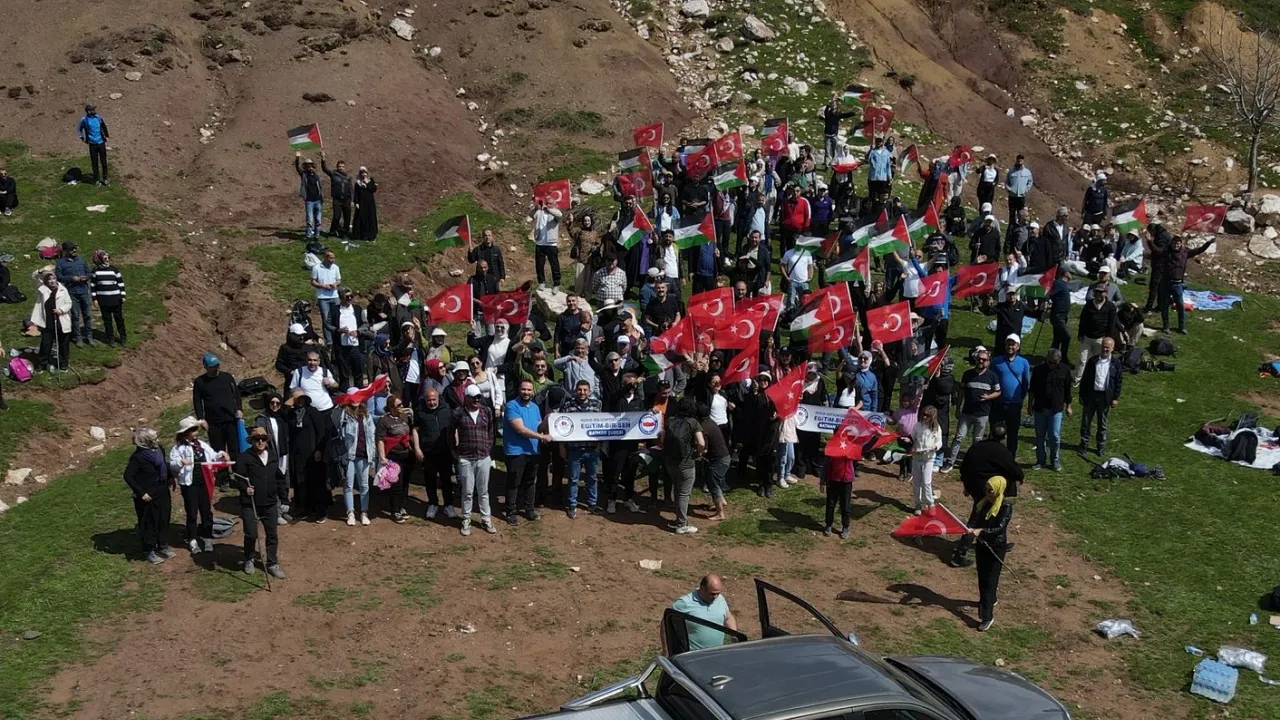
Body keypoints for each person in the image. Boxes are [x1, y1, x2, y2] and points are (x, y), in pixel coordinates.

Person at [233, 427, 288, 579]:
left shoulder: (272, 456)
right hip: (250, 503)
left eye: (263, 439)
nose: (261, 442)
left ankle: (272, 563)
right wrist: (245, 488)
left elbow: (279, 479)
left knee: (272, 534)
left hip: (270, 503)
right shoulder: (244, 458)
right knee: (251, 533)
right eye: (257, 439)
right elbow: (238, 478)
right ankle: (249, 558)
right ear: (252, 441)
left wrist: (284, 499)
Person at [169, 415, 225, 555]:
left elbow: (213, 456)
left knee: (206, 511)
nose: (195, 432)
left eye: (196, 429)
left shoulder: (202, 445)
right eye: (192, 430)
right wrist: (181, 462)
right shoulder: (178, 448)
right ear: (185, 433)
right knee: (192, 512)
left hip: (204, 482)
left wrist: (221, 455)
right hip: (189, 485)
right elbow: (173, 465)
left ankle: (207, 537)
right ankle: (192, 539)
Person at [940, 348, 1000, 473]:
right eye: (979, 359)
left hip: (982, 414)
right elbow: (961, 392)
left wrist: (988, 397)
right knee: (958, 437)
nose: (981, 361)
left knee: (977, 440)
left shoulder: (992, 376)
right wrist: (958, 408)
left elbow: (998, 392)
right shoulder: (967, 374)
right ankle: (950, 462)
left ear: (988, 362)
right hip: (967, 412)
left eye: (984, 360)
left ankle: (974, 464)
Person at [124, 427, 175, 564]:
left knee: (163, 518)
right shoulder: (137, 458)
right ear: (145, 441)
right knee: (149, 523)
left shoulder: (159, 449)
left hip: (162, 490)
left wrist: (170, 477)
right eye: (154, 439)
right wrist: (141, 493)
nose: (157, 440)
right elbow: (128, 476)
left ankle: (163, 545)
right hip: (148, 495)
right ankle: (149, 550)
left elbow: (163, 465)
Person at [504, 379, 552, 524]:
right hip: (516, 451)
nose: (526, 392)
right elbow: (521, 429)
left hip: (533, 450)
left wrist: (547, 421)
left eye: (529, 390)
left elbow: (538, 427)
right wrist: (542, 437)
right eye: (523, 389)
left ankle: (529, 509)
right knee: (514, 482)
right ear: (519, 390)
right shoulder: (511, 406)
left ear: (533, 392)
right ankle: (510, 511)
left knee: (530, 481)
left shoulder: (535, 407)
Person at [968, 476, 1012, 632]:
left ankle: (986, 617)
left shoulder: (1005, 507)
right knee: (982, 577)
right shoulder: (984, 503)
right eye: (986, 489)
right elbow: (975, 519)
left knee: (990, 580)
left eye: (990, 490)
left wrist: (981, 531)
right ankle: (990, 599)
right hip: (982, 545)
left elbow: (999, 528)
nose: (987, 493)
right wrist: (970, 528)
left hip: (996, 547)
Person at [453, 385, 497, 535]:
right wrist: (455, 452)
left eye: (478, 397)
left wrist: (488, 448)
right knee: (467, 492)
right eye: (473, 398)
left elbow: (491, 431)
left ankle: (486, 519)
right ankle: (466, 519)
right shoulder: (458, 413)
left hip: (483, 457)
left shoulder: (486, 411)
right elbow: (450, 433)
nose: (477, 400)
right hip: (466, 458)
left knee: (483, 491)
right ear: (466, 398)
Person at [559, 379, 603, 517]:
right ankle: (572, 505)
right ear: (575, 391)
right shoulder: (567, 406)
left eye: (585, 390)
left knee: (592, 478)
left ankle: (592, 504)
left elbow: (602, 425)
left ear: (589, 391)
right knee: (573, 479)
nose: (582, 392)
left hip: (592, 449)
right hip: (574, 449)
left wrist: (599, 445)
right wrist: (562, 446)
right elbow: (560, 426)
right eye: (579, 390)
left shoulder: (597, 405)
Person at [662, 398, 705, 534]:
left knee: (677, 489)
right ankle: (681, 524)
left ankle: (679, 519)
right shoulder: (693, 423)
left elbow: (662, 439)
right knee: (684, 493)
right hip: (686, 463)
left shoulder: (670, 421)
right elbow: (701, 443)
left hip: (670, 462)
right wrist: (698, 453)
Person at [286, 390, 330, 522]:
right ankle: (304, 508)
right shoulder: (290, 414)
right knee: (300, 481)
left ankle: (320, 510)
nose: (300, 401)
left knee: (315, 481)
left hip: (312, 452)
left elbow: (321, 432)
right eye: (298, 399)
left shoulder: (313, 412)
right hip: (296, 454)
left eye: (302, 398)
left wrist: (319, 450)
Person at [191, 353, 242, 462]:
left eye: (217, 365)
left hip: (230, 419)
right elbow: (197, 401)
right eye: (213, 366)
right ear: (205, 366)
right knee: (218, 452)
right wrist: (201, 419)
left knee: (235, 449)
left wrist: (239, 409)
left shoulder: (227, 377)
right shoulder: (200, 382)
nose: (216, 368)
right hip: (213, 423)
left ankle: (237, 471)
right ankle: (222, 472)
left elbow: (236, 394)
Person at [1159, 235, 1214, 335]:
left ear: (1181, 244)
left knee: (1180, 306)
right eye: (1174, 243)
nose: (1176, 245)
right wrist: (1149, 241)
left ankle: (1182, 327)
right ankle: (1166, 326)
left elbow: (1199, 250)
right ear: (1171, 244)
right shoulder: (1166, 252)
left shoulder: (1185, 253)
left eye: (1178, 243)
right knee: (1165, 306)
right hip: (1166, 283)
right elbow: (1156, 250)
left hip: (1178, 284)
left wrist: (1209, 243)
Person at [375, 394, 417, 523]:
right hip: (394, 456)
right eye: (399, 405)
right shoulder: (384, 421)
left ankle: (402, 506)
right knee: (396, 484)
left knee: (405, 483)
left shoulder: (405, 417)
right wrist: (382, 456)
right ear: (391, 407)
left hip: (407, 454)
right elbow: (380, 439)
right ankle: (395, 510)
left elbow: (411, 432)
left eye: (401, 404)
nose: (402, 406)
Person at [1028, 348, 1072, 471]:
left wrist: (1068, 406)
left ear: (1059, 360)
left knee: (1054, 436)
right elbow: (1032, 389)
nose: (1052, 365)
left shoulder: (1065, 370)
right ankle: (1040, 460)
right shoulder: (1038, 370)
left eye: (1054, 362)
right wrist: (1030, 405)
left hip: (1056, 409)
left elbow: (1067, 390)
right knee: (1040, 436)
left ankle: (1055, 460)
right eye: (1050, 362)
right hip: (1040, 408)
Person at [669, 574, 738, 651]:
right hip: (693, 655)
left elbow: (728, 618)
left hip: (717, 653)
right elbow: (666, 622)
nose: (715, 597)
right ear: (702, 589)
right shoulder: (685, 603)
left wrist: (734, 634)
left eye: (718, 593)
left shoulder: (720, 599)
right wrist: (667, 650)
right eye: (712, 594)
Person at [336, 392, 375, 526]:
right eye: (352, 397)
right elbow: (339, 431)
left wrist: (372, 454)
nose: (355, 400)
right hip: (349, 455)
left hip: (363, 454)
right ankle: (350, 513)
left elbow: (372, 436)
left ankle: (364, 512)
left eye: (357, 396)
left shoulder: (367, 415)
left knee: (364, 485)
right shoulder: (344, 415)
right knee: (348, 485)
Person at [1079, 336, 1122, 457]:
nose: (1105, 349)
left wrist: (1115, 398)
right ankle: (1083, 445)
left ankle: (1100, 447)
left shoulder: (1116, 364)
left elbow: (1118, 381)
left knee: (1102, 425)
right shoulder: (1093, 361)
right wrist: (1081, 395)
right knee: (1086, 423)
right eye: (1103, 347)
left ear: (1112, 348)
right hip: (1091, 396)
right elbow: (1084, 379)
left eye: (1108, 347)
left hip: (1105, 398)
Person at [989, 334, 1031, 458]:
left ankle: (1010, 457)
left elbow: (1026, 382)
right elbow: (991, 379)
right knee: (995, 431)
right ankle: (993, 455)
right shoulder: (996, 361)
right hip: (998, 403)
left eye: (1013, 344)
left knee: (1013, 433)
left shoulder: (1024, 363)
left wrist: (1020, 398)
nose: (1010, 347)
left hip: (1014, 404)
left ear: (1018, 346)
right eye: (1008, 344)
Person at [254, 391, 292, 514]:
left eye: (278, 403)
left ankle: (284, 507)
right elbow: (260, 436)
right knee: (273, 481)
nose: (275, 405)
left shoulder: (283, 417)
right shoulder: (262, 418)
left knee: (283, 479)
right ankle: (276, 511)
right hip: (270, 454)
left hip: (283, 453)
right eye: (272, 402)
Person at [1074, 286, 1117, 386]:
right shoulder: (1089, 304)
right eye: (1097, 292)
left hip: (1101, 338)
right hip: (1087, 337)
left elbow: (1111, 323)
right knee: (1082, 359)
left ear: (1106, 293)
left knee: (1098, 360)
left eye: (1101, 292)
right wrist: (1080, 334)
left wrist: (1108, 338)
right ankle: (1077, 379)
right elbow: (1083, 320)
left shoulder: (1110, 306)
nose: (1098, 294)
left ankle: (1096, 379)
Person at [55, 242, 93, 346]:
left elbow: (89, 273)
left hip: (84, 291)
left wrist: (86, 277)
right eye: (71, 249)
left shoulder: (81, 259)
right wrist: (71, 278)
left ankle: (89, 337)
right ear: (65, 251)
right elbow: (59, 277)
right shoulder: (60, 263)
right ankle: (78, 337)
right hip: (71, 293)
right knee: (75, 316)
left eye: (75, 248)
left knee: (87, 315)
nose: (74, 251)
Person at [328, 288, 367, 390]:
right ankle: (344, 392)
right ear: (341, 298)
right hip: (341, 346)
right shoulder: (334, 310)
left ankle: (359, 392)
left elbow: (365, 324)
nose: (350, 298)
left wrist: (358, 332)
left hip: (356, 345)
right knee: (343, 372)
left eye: (351, 296)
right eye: (347, 297)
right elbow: (327, 324)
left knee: (358, 371)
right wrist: (338, 330)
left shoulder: (357, 309)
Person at [32, 271, 71, 372]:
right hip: (48, 321)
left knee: (63, 344)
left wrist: (61, 310)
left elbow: (68, 303)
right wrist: (40, 271)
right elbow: (34, 276)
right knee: (46, 344)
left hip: (61, 321)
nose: (52, 281)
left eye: (53, 279)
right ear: (46, 281)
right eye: (49, 279)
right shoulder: (42, 288)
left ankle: (63, 364)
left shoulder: (63, 289)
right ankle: (42, 364)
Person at [90, 250, 126, 346]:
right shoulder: (95, 271)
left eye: (108, 258)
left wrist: (123, 295)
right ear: (99, 260)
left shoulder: (114, 269)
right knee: (107, 320)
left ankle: (123, 337)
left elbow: (121, 283)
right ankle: (110, 338)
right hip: (103, 300)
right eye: (105, 258)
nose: (107, 260)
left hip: (116, 299)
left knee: (119, 319)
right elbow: (93, 286)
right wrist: (94, 299)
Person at [910, 406, 943, 514]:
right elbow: (912, 437)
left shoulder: (936, 428)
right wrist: (910, 444)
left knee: (926, 482)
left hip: (929, 459)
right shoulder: (918, 425)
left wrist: (935, 446)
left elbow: (939, 442)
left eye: (927, 416)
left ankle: (930, 503)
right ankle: (918, 504)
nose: (924, 417)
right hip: (917, 458)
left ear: (932, 417)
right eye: (923, 415)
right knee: (916, 482)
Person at [310, 250, 341, 345]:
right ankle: (329, 341)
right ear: (325, 257)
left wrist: (335, 284)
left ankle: (337, 339)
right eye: (331, 258)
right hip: (323, 297)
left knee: (337, 317)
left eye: (333, 258)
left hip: (334, 296)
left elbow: (339, 280)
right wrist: (323, 286)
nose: (333, 260)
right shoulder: (317, 268)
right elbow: (312, 281)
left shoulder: (335, 267)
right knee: (326, 319)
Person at [822, 453, 855, 539]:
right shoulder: (831, 449)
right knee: (830, 504)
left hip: (846, 481)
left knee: (845, 505)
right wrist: (822, 481)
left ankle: (845, 526)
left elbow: (862, 449)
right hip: (833, 480)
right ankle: (828, 525)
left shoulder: (850, 448)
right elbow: (826, 465)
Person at [320, 151, 353, 239]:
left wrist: (352, 200)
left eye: (342, 166)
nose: (341, 168)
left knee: (347, 217)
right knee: (336, 216)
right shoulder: (333, 174)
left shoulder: (348, 177)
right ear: (337, 167)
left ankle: (345, 232)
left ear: (345, 167)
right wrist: (323, 159)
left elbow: (351, 189)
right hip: (337, 199)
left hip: (347, 199)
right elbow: (324, 169)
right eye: (339, 166)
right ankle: (332, 231)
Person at [532, 198, 563, 290]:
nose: (548, 205)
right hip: (540, 242)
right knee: (539, 264)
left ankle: (556, 284)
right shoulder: (540, 212)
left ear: (554, 204)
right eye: (547, 203)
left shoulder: (555, 212)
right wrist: (535, 207)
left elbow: (559, 215)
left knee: (554, 264)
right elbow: (531, 216)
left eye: (550, 203)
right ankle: (541, 282)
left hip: (551, 243)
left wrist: (548, 209)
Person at [77, 104, 110, 185]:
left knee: (104, 161)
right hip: (92, 144)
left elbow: (104, 126)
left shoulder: (98, 118)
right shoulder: (84, 120)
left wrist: (106, 136)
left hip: (101, 142)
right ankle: (97, 179)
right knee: (94, 162)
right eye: (93, 110)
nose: (94, 111)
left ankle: (105, 178)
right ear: (89, 111)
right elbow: (79, 129)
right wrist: (82, 137)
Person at [295, 152, 324, 240]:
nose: (309, 167)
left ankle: (317, 235)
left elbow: (320, 187)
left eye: (310, 166)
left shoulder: (316, 176)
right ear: (305, 167)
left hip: (318, 200)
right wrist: (297, 158)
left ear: (313, 166)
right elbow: (297, 167)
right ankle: (308, 236)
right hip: (309, 201)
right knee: (310, 220)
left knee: (318, 220)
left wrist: (321, 197)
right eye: (307, 166)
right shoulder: (304, 175)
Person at [351, 166, 379, 241]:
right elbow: (356, 193)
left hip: (369, 204)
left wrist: (367, 183)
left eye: (365, 173)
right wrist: (356, 202)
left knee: (370, 218)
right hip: (361, 203)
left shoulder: (370, 181)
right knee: (360, 218)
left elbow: (373, 189)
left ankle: (370, 235)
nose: (363, 174)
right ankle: (360, 235)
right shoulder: (358, 183)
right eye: (362, 173)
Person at [1004, 154, 1033, 220]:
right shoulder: (1011, 171)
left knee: (1021, 213)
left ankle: (1019, 225)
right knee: (1012, 213)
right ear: (1016, 161)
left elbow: (1030, 182)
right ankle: (1011, 225)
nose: (1019, 163)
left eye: (1021, 161)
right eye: (1018, 161)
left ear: (1023, 161)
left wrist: (1026, 190)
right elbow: (1007, 182)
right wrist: (1008, 189)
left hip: (1021, 196)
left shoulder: (1027, 172)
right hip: (1012, 195)